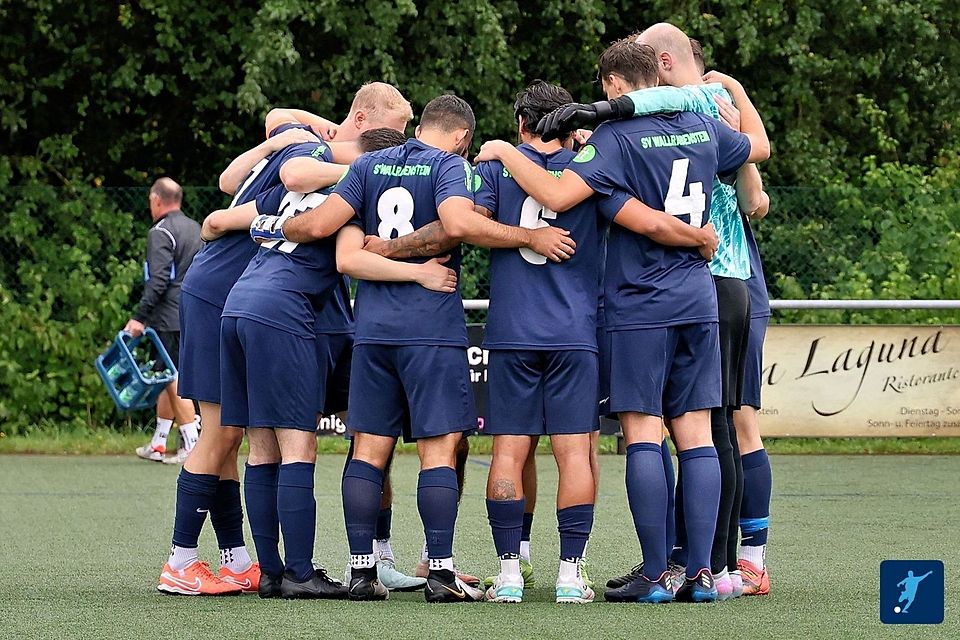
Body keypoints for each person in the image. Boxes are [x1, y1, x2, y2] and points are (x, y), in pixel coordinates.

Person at [476, 37, 767, 603]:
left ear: (612, 84)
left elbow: (560, 195)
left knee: (641, 434)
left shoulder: (614, 137)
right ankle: (703, 572)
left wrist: (504, 150)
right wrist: (731, 89)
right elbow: (755, 149)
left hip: (639, 303)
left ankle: (658, 571)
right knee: (698, 435)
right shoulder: (701, 123)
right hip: (696, 297)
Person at [261, 94, 577, 603]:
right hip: (431, 329)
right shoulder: (451, 166)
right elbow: (457, 223)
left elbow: (318, 226)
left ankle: (361, 571)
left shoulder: (367, 164)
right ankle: (441, 573)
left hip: (374, 329)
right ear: (462, 137)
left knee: (367, 449)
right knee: (439, 448)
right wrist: (528, 236)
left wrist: (278, 225)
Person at [156, 82, 413, 597]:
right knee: (233, 437)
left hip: (239, 294)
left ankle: (240, 561)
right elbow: (296, 181)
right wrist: (364, 171)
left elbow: (230, 194)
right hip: (228, 295)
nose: (401, 141)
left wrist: (246, 208)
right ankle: (188, 559)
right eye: (398, 129)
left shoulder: (301, 139)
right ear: (364, 122)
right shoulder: (332, 157)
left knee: (247, 439)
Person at [126, 178, 202, 464]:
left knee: (173, 378)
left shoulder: (160, 231)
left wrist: (139, 317)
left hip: (168, 316)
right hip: (192, 311)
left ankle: (192, 445)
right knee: (166, 374)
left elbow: (158, 280)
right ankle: (159, 442)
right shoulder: (195, 227)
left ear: (157, 200)